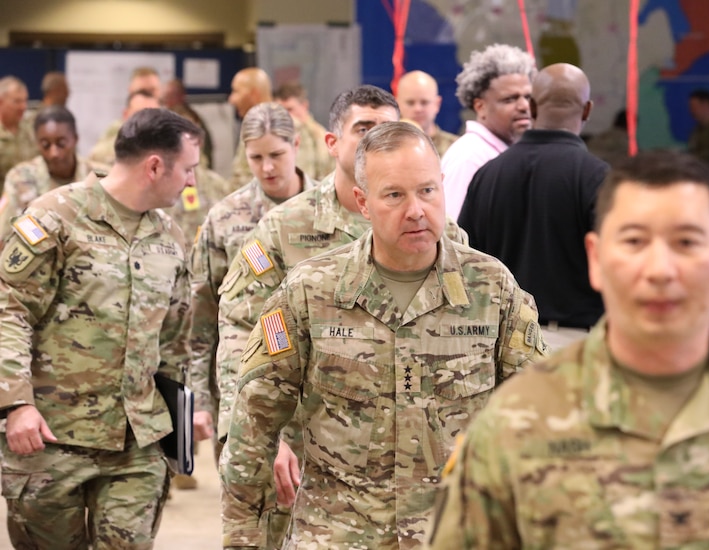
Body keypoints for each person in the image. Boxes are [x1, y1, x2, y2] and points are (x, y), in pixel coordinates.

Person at [427, 150, 709, 548]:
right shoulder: (519, 419)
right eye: (634, 241)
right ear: (596, 258)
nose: (659, 270)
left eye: (686, 242)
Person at [220, 121, 547, 549]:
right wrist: (243, 541)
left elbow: (537, 419)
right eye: (395, 195)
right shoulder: (311, 291)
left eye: (427, 191)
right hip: (337, 534)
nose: (416, 210)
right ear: (363, 202)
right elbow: (253, 431)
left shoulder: (492, 288)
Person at [0, 108, 201, 548]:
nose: (191, 182)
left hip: (138, 442)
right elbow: (8, 309)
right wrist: (15, 404)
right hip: (51, 438)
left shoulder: (170, 237)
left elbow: (177, 339)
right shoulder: (55, 217)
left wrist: (188, 412)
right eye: (188, 169)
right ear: (154, 166)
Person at [189, 102, 315, 466]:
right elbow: (201, 317)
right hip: (242, 388)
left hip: (316, 398)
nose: (268, 167)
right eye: (256, 157)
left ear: (297, 146)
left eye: (276, 154)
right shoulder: (226, 218)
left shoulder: (329, 212)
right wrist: (200, 398)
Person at [458, 63, 608, 351]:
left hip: (501, 345)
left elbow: (466, 263)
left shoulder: (487, 175)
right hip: (576, 346)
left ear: (532, 108)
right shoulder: (598, 178)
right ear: (587, 110)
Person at [440, 44, 535, 219]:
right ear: (480, 106)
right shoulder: (469, 158)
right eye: (510, 99)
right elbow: (452, 234)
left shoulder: (506, 151)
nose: (524, 106)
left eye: (528, 97)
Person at [0, 106, 108, 243]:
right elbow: (5, 235)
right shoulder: (20, 178)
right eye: (45, 145)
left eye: (61, 143)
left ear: (75, 139)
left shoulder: (101, 177)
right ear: (37, 143)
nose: (54, 153)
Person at [88, 67, 162, 168]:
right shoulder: (114, 131)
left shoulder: (175, 126)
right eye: (142, 91)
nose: (148, 94)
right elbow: (97, 159)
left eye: (152, 90)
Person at [273, 80, 335, 180]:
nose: (285, 116)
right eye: (280, 110)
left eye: (290, 109)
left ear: (304, 105)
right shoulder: (271, 135)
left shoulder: (320, 137)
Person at [228, 67, 273, 191]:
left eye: (236, 92)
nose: (231, 100)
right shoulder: (252, 125)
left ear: (254, 94)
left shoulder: (276, 127)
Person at [396, 70, 458, 157]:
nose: (418, 109)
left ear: (437, 104)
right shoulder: (384, 147)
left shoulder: (457, 149)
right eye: (410, 102)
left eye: (424, 102)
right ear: (397, 104)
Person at [163, 78, 215, 169]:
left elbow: (205, 152)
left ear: (182, 96)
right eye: (166, 98)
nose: (167, 102)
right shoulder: (166, 119)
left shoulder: (190, 119)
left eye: (171, 97)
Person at [0, 76, 37, 190]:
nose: (23, 107)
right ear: (1, 102)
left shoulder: (31, 130)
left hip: (30, 202)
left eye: (25, 100)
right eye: (17, 101)